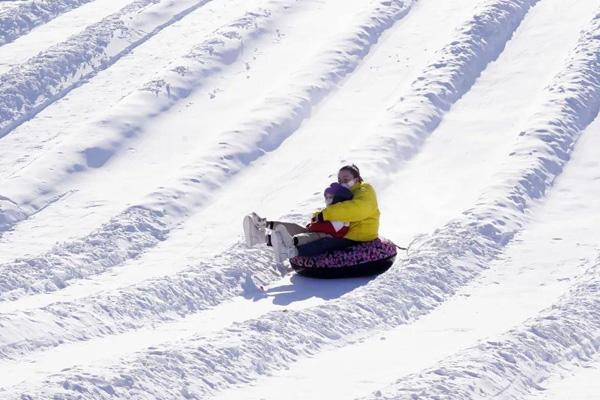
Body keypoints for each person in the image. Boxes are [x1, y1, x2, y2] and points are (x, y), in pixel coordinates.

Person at [243, 164, 380, 263]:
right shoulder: (345, 192)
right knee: (302, 230)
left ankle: (292, 250)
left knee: (323, 241)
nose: (342, 182)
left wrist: (324, 215)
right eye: (339, 180)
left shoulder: (364, 189)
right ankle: (262, 231)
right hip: (340, 229)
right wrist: (318, 216)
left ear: (357, 179)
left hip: (358, 235)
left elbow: (358, 209)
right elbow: (332, 207)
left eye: (346, 178)